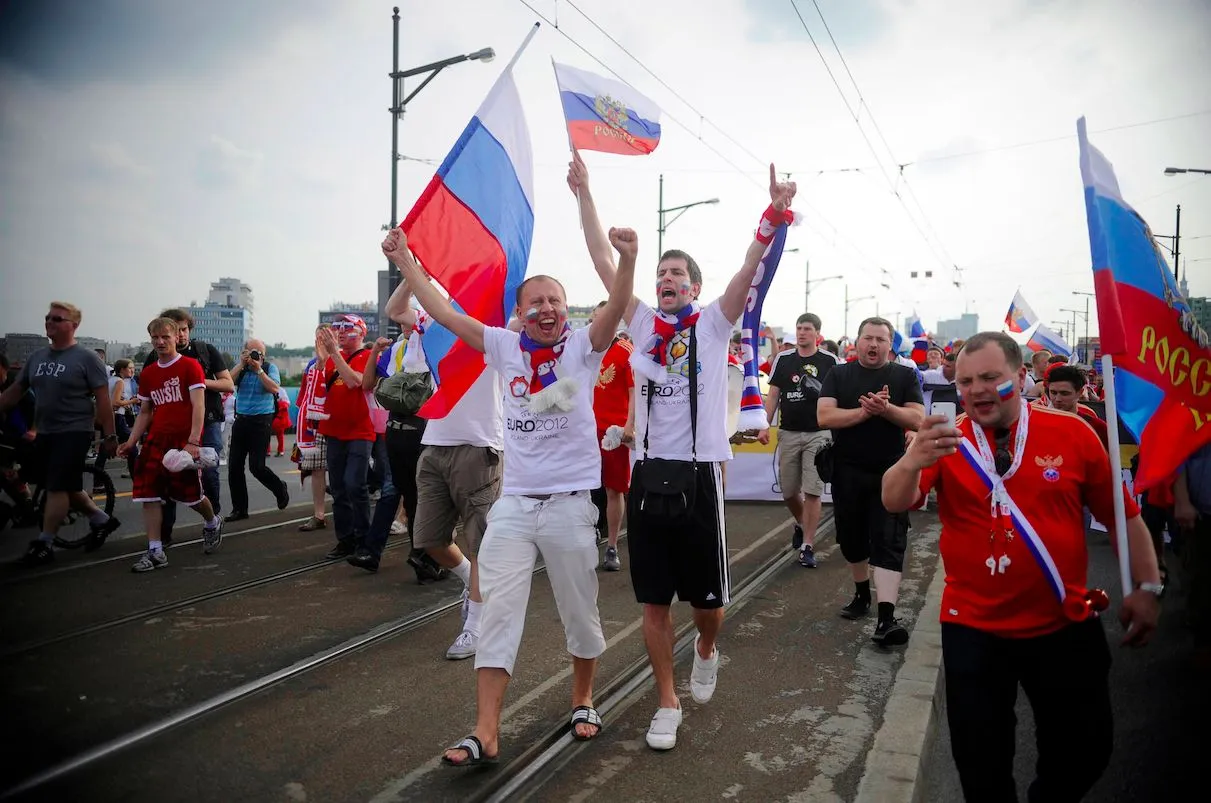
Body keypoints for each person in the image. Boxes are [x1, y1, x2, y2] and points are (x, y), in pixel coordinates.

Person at [382, 220, 636, 766]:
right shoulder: (503, 346)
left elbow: (616, 307)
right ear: (520, 311)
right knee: (496, 611)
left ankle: (583, 698)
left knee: (579, 611)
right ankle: (485, 731)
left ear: (567, 309)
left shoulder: (583, 351)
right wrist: (405, 262)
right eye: (537, 302)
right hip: (515, 508)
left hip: (570, 505)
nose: (547, 309)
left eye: (556, 301)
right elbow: (446, 315)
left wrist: (629, 259)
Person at [570, 151, 797, 751]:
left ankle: (706, 648)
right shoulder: (641, 324)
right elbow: (602, 259)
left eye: (678, 274)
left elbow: (751, 267)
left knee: (708, 603)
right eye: (661, 273)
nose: (666, 279)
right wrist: (584, 193)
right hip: (648, 477)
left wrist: (771, 216)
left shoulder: (715, 324)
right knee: (652, 599)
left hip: (699, 479)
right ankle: (665, 701)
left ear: (694, 287)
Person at [881, 330, 1161, 802]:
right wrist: (912, 460)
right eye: (967, 380)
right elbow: (895, 499)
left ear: (1020, 375)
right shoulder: (946, 440)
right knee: (980, 767)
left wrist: (1149, 586)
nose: (976, 390)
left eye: (991, 377)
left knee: (1087, 748)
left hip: (1062, 623)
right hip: (973, 629)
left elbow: (1123, 517)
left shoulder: (1073, 433)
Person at [384, 280, 503, 657]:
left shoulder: (497, 331)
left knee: (482, 543)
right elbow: (395, 311)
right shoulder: (433, 326)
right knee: (428, 540)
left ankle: (477, 625)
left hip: (480, 444)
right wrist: (412, 272)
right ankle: (470, 580)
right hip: (435, 441)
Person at [817, 317, 924, 645]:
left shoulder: (904, 376)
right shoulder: (839, 374)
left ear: (890, 344)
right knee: (851, 540)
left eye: (880, 339)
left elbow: (918, 419)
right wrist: (863, 414)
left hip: (891, 472)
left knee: (889, 541)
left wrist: (886, 409)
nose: (873, 344)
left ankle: (886, 617)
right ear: (857, 342)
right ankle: (862, 594)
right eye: (868, 338)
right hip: (847, 471)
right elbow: (824, 416)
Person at [0, 302, 121, 563]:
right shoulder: (37, 358)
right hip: (45, 432)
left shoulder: (86, 358)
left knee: (56, 487)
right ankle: (102, 520)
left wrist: (110, 437)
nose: (50, 322)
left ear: (73, 325)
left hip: (75, 431)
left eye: (57, 318)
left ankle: (44, 544)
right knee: (59, 484)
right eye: (48, 318)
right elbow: (14, 393)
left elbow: (103, 401)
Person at [119, 317, 225, 571]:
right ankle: (155, 550)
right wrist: (131, 441)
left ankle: (212, 522)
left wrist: (193, 441)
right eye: (155, 338)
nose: (160, 342)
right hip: (157, 439)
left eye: (165, 337)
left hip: (183, 440)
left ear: (177, 337)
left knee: (191, 496)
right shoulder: (149, 372)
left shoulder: (190, 366)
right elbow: (145, 411)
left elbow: (199, 404)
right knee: (150, 494)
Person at [142, 308, 233, 543]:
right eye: (176, 330)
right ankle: (165, 534)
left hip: (208, 419)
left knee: (209, 472)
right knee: (167, 475)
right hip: (171, 425)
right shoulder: (155, 356)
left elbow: (227, 384)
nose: (180, 335)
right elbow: (149, 397)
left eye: (184, 329)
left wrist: (196, 381)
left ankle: (212, 521)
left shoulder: (204, 351)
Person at [759, 312, 835, 568]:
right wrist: (764, 425)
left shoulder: (830, 361)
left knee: (813, 490)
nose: (802, 332)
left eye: (807, 329)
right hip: (789, 432)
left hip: (819, 433)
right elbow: (773, 396)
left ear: (817, 334)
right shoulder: (783, 359)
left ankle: (808, 545)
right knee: (789, 491)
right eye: (799, 328)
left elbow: (839, 396)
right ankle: (802, 525)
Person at [317, 316, 375, 559]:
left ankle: (364, 540)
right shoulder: (330, 361)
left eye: (347, 328)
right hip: (335, 431)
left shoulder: (368, 357)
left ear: (361, 333)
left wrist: (333, 353)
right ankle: (346, 540)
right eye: (337, 328)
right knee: (339, 488)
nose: (340, 332)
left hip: (360, 431)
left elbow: (355, 382)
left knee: (355, 485)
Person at [588, 300, 636, 572]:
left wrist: (629, 426)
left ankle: (612, 546)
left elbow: (634, 392)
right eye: (595, 319)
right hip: (586, 430)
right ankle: (587, 535)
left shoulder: (625, 351)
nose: (598, 324)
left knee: (614, 489)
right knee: (582, 486)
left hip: (612, 432)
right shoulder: (586, 349)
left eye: (603, 319)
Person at [225, 338, 290, 521]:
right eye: (251, 352)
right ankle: (239, 509)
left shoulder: (270, 368)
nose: (255, 356)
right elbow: (227, 383)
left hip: (261, 421)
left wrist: (259, 369)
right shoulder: (242, 369)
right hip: (241, 419)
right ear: (244, 352)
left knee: (257, 467)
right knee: (234, 467)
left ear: (264, 355)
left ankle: (279, 488)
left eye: (258, 353)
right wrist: (241, 364)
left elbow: (274, 388)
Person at [293, 326, 331, 531]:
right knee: (317, 468)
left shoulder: (342, 361)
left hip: (337, 421)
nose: (320, 341)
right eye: (318, 337)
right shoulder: (311, 365)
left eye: (325, 337)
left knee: (344, 472)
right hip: (314, 425)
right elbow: (303, 398)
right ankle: (319, 514)